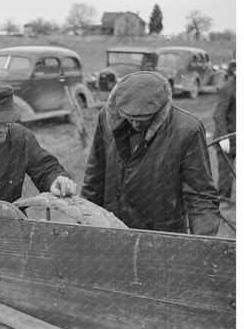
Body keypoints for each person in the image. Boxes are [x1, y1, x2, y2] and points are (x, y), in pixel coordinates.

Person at [81, 71, 220, 236]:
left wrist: (202, 245)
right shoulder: (107, 117)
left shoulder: (187, 130)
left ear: (160, 110)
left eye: (142, 119)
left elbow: (200, 195)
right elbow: (94, 178)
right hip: (112, 231)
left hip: (162, 236)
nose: (134, 124)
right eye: (129, 117)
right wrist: (86, 224)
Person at [213, 63, 236, 204]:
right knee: (226, 173)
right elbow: (218, 114)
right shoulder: (227, 88)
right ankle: (224, 200)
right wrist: (223, 137)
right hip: (228, 139)